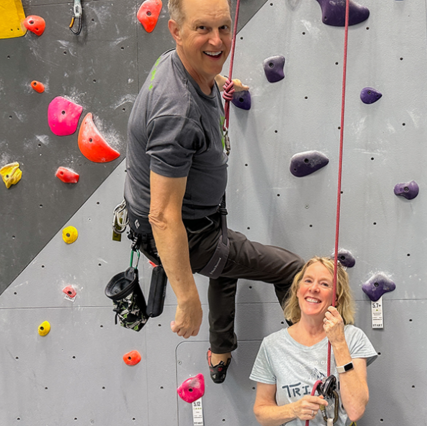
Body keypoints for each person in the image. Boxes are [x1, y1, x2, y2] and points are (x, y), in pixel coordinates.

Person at [123, 0, 304, 384]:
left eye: (224, 28)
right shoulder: (178, 114)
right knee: (292, 269)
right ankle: (306, 358)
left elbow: (199, 70)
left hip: (193, 214)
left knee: (227, 269)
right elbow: (163, 215)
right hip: (188, 231)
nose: (218, 40)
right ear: (176, 31)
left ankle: (220, 349)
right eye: (203, 29)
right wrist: (187, 298)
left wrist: (219, 82)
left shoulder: (173, 63)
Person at [250, 257, 377, 426]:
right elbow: (261, 413)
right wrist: (294, 410)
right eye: (308, 280)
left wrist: (339, 343)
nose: (314, 288)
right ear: (297, 290)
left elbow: (355, 411)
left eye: (324, 284)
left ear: (336, 298)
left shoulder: (353, 338)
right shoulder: (272, 345)